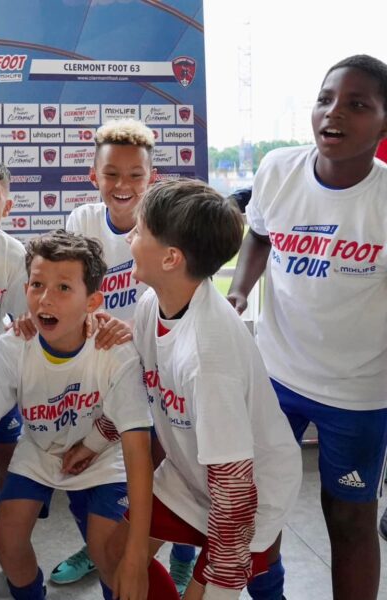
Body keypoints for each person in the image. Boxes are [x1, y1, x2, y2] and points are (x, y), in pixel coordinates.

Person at [228, 55, 387, 600]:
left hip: (359, 394)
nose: (333, 113)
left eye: (357, 104)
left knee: (349, 519)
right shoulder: (278, 169)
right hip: (276, 377)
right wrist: (239, 290)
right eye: (325, 99)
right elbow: (259, 234)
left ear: (383, 124)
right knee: (258, 504)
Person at [0, 229, 154, 600]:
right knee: (8, 539)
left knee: (109, 550)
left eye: (64, 288)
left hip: (104, 453)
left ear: (92, 301)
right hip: (39, 449)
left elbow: (137, 449)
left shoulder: (114, 351)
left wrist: (136, 553)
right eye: (37, 285)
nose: (46, 298)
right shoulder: (14, 347)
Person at [104, 178, 301, 600]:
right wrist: (97, 437)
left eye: (139, 231)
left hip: (246, 500)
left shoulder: (208, 357)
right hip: (191, 474)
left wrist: (218, 575)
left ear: (171, 258)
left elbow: (234, 488)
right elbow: (140, 380)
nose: (129, 237)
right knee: (117, 555)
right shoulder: (153, 302)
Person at [53, 119, 198, 595]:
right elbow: (74, 289)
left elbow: (182, 303)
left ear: (151, 177)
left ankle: (181, 553)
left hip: (157, 365)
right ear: (93, 176)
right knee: (97, 467)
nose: (123, 184)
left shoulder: (169, 224)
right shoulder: (82, 221)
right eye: (111, 173)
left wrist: (134, 332)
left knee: (166, 467)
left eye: (135, 175)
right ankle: (99, 546)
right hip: (103, 365)